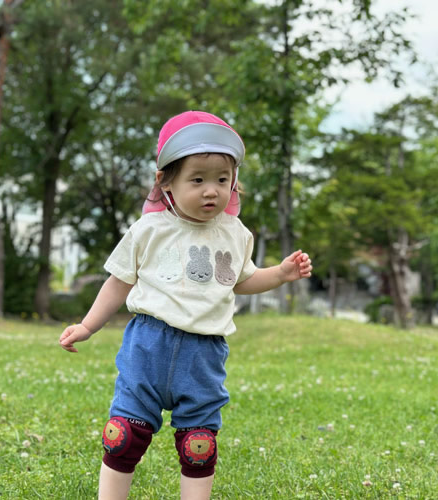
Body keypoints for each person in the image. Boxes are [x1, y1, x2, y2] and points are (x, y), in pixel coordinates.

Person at [57, 111, 314, 500]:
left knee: (199, 445)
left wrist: (279, 274)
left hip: (203, 354)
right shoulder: (148, 230)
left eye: (222, 180)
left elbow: (240, 280)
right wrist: (88, 326)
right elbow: (119, 282)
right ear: (166, 181)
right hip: (148, 346)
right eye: (197, 180)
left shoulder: (236, 234)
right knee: (122, 436)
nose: (211, 191)